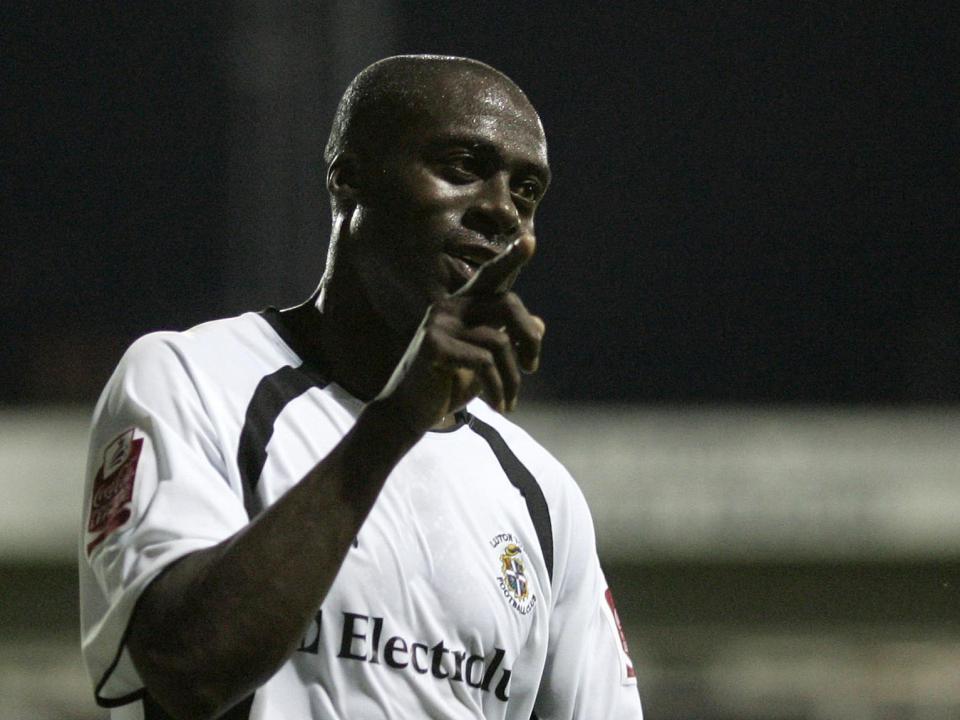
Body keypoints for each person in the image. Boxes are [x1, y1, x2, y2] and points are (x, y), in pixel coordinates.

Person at [79, 54, 643, 719]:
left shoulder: (541, 494)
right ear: (349, 177)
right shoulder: (193, 378)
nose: (500, 210)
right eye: (462, 167)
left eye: (526, 191)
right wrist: (397, 419)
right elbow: (186, 668)